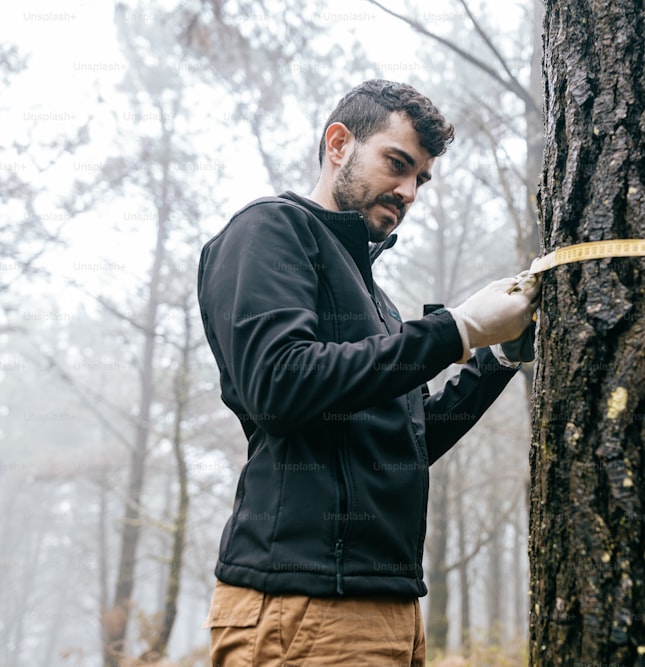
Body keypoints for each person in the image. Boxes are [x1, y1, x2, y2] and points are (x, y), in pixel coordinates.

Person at [197, 79, 539, 666]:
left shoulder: (373, 297)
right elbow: (279, 386)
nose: (408, 192)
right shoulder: (269, 231)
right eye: (397, 164)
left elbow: (402, 442)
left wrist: (496, 355)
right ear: (338, 144)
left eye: (421, 179)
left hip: (390, 606)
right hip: (302, 608)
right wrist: (455, 330)